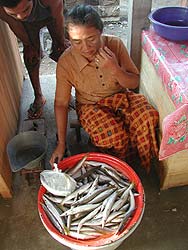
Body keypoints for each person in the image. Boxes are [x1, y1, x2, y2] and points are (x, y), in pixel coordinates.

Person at [50, 4, 159, 172]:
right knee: (114, 135)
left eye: (91, 39)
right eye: (76, 42)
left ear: (101, 32)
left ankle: (140, 162)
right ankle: (118, 168)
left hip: (121, 97)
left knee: (148, 117)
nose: (85, 48)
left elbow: (133, 82)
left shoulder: (115, 44)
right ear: (68, 40)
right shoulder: (66, 62)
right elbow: (61, 103)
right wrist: (61, 144)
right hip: (90, 106)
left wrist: (114, 69)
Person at [0, 0, 69, 119]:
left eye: (25, 9)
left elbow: (58, 17)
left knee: (64, 52)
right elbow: (15, 24)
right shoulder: (3, 8)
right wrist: (28, 45)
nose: (21, 16)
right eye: (13, 14)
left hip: (53, 14)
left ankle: (67, 92)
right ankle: (38, 96)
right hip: (28, 25)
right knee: (30, 56)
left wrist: (61, 42)